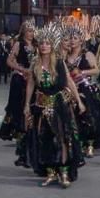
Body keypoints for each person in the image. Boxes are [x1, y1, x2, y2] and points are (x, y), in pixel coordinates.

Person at [19, 22, 86, 188]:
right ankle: (50, 172)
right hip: (41, 106)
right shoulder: (34, 63)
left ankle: (63, 173)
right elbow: (30, 85)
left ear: (52, 45)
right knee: (44, 139)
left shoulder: (59, 62)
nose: (44, 46)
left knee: (62, 138)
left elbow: (69, 82)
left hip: (59, 106)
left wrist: (79, 101)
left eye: (47, 43)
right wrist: (27, 104)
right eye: (41, 43)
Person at [62, 25, 100, 157]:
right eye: (70, 38)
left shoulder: (87, 54)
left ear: (81, 40)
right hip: (71, 90)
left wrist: (83, 72)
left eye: (75, 38)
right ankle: (79, 144)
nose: (72, 41)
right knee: (74, 118)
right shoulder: (65, 55)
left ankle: (90, 145)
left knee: (89, 117)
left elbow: (97, 70)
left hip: (86, 88)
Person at [0, 21, 36, 141]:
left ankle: (31, 129)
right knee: (17, 104)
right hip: (20, 78)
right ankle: (18, 131)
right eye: (29, 31)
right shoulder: (18, 44)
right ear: (24, 32)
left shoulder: (37, 45)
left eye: (32, 31)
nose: (31, 33)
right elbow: (9, 61)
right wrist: (22, 69)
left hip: (33, 78)